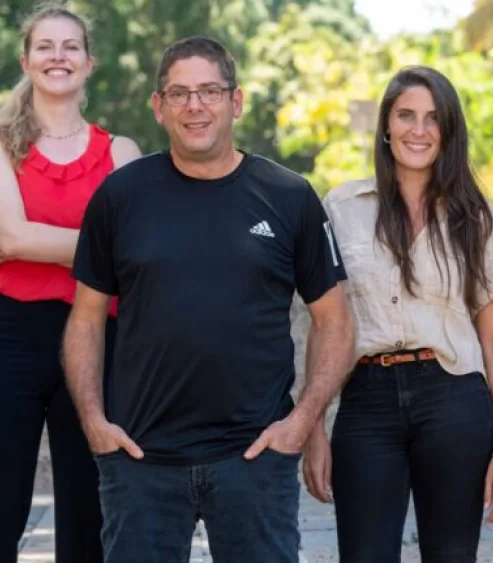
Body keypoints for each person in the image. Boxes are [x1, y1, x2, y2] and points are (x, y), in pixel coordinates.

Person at [62, 35, 355, 563]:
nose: (194, 106)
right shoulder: (120, 196)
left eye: (209, 92)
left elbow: (334, 319)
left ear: (236, 101)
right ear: (159, 106)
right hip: (140, 460)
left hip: (255, 459)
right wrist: (93, 422)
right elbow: (85, 319)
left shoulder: (289, 195)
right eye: (179, 94)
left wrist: (302, 422)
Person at [306, 65, 493, 563]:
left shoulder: (479, 218)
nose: (418, 130)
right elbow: (326, 325)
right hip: (366, 400)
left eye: (432, 119)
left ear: (448, 131)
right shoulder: (341, 207)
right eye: (406, 115)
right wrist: (314, 426)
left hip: (453, 400)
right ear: (386, 125)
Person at [0, 5, 141, 563]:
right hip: (12, 336)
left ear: (89, 62)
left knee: (91, 510)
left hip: (98, 336)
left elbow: (131, 256)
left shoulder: (122, 153)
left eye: (70, 47)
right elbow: (10, 239)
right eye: (45, 46)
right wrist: (97, 244)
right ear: (26, 60)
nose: (58, 56)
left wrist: (36, 240)